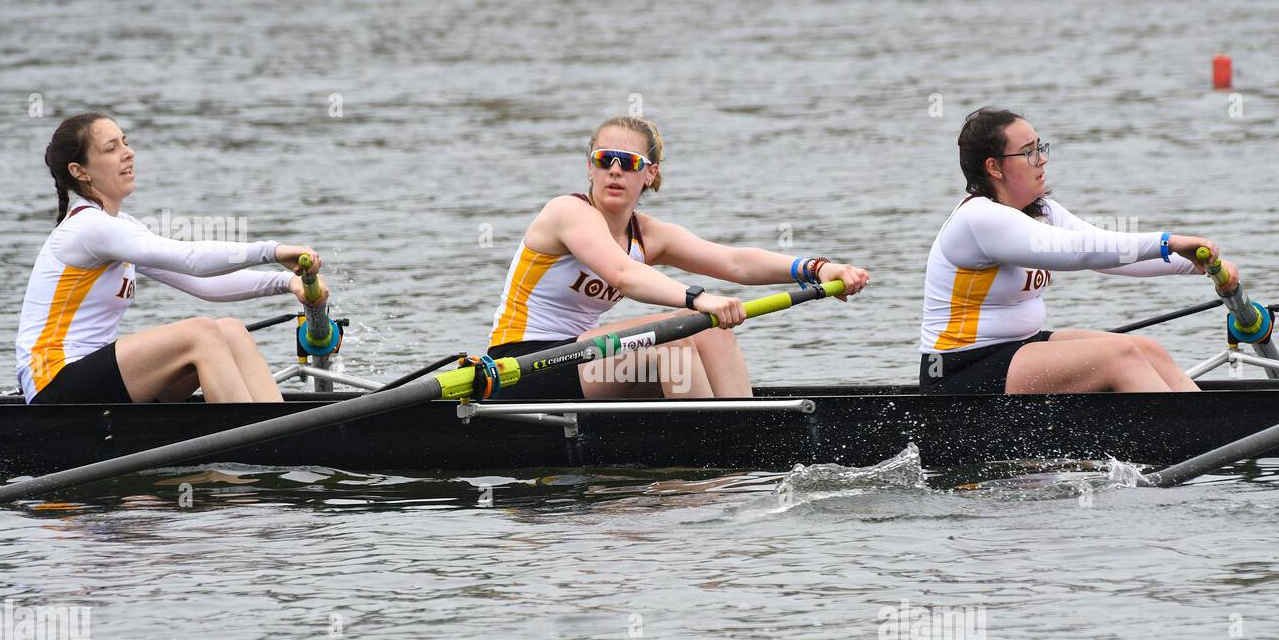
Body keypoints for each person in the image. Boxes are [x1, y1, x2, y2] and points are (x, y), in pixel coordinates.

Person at [487, 115, 869, 399]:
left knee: (712, 331)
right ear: (590, 167)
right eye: (605, 159)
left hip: (582, 359)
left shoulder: (649, 235)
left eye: (630, 162)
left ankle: (748, 440)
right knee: (679, 335)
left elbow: (735, 263)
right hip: (522, 365)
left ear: (650, 174)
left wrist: (819, 268)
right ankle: (704, 459)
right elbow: (624, 275)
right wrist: (698, 299)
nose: (615, 170)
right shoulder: (566, 213)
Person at [919, 106, 1238, 394]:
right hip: (959, 371)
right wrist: (1167, 242)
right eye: (1028, 152)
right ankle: (1190, 438)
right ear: (995, 168)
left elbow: (1112, 255)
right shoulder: (979, 218)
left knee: (1147, 350)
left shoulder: (1039, 210)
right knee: (1119, 357)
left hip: (1018, 348)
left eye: (1040, 148)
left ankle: (1217, 430)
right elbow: (1081, 252)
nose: (1042, 159)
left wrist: (1198, 266)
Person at [17, 111, 329, 404]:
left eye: (125, 142)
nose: (128, 152)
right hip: (53, 384)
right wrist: (271, 251)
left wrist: (287, 282)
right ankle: (256, 442)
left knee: (230, 330)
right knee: (200, 333)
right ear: (79, 171)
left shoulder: (121, 227)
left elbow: (201, 283)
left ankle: (276, 429)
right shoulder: (88, 228)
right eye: (111, 148)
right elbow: (191, 259)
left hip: (92, 381)